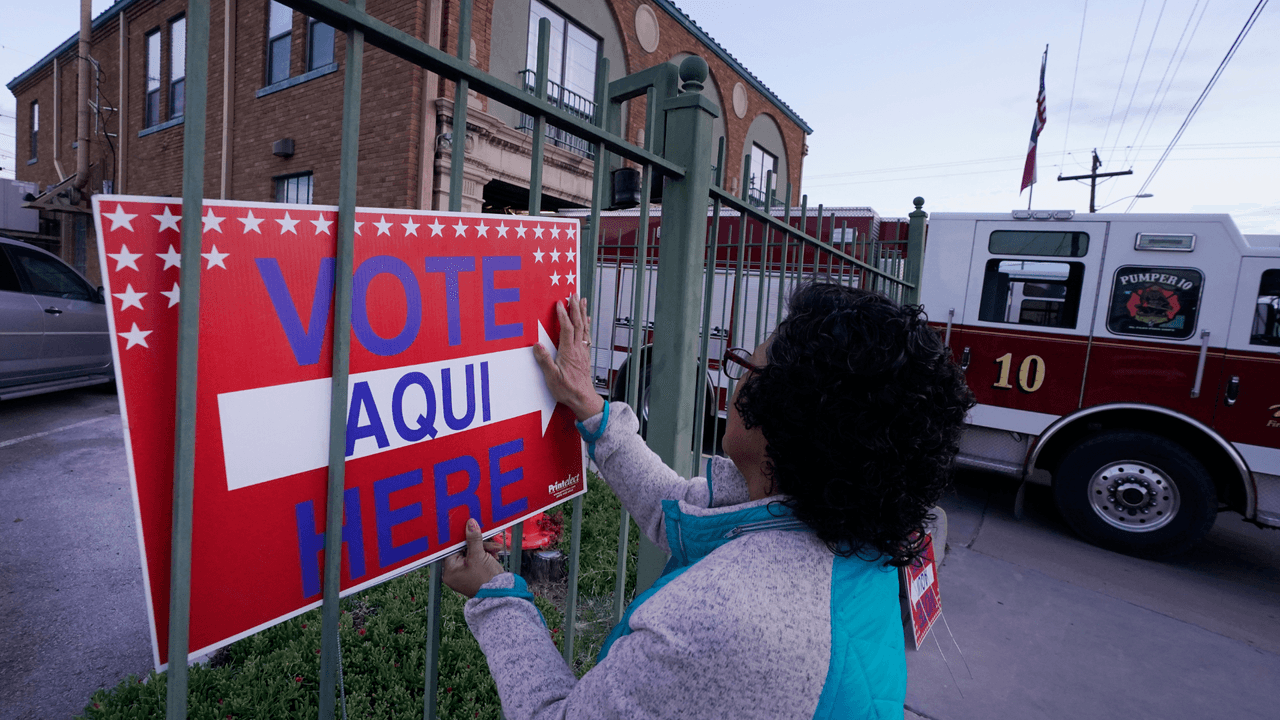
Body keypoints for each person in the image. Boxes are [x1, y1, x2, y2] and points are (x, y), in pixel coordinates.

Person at [442, 283, 975, 720]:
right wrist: (593, 411)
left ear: (786, 415)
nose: (738, 383)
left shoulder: (718, 622)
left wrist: (497, 598)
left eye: (748, 365)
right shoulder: (852, 528)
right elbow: (676, 509)